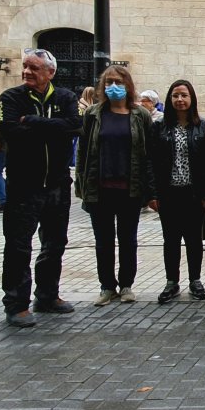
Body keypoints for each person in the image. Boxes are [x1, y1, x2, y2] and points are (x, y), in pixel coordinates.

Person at [0, 48, 81, 327]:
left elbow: (74, 128)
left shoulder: (66, 98)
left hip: (57, 183)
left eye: (34, 68)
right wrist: (52, 128)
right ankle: (16, 303)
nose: (27, 72)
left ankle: (47, 295)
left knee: (55, 243)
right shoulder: (11, 98)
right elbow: (11, 131)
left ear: (50, 73)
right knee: (19, 245)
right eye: (25, 67)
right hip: (24, 185)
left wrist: (32, 121)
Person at [76, 65, 156, 305]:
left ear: (128, 86)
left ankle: (126, 285)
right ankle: (107, 286)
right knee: (103, 240)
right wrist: (81, 186)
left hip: (129, 188)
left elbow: (148, 154)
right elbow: (83, 152)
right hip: (99, 188)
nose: (113, 87)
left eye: (118, 82)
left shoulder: (140, 115)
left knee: (128, 239)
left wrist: (149, 190)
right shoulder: (93, 114)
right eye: (109, 82)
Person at [150, 79, 205, 303]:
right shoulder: (158, 127)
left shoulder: (204, 127)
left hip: (194, 193)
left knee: (193, 238)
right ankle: (172, 282)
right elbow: (150, 161)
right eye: (175, 96)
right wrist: (152, 194)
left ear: (192, 99)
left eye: (184, 95)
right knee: (170, 239)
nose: (180, 100)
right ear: (169, 99)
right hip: (168, 193)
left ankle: (195, 280)